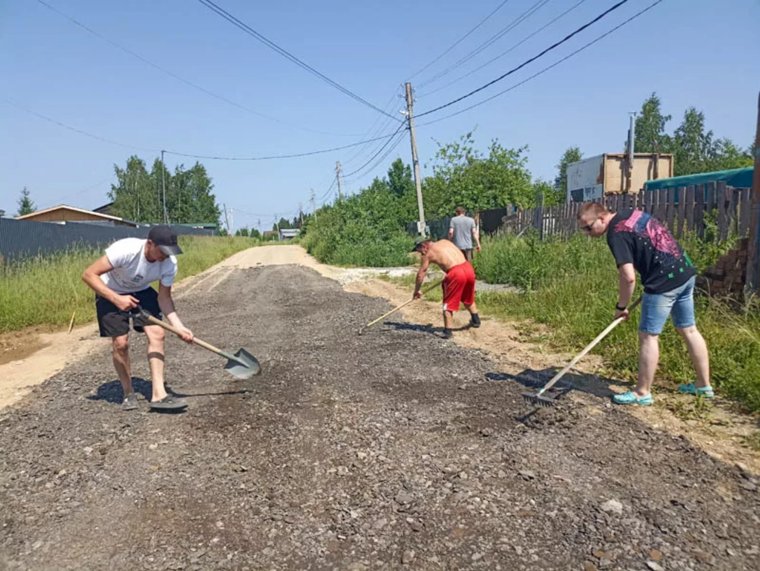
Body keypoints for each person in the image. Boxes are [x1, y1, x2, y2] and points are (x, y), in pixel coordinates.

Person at [577, 202, 713, 406]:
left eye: (589, 227)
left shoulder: (616, 234)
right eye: (584, 230)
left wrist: (621, 307)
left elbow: (628, 278)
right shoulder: (632, 213)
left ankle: (642, 392)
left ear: (602, 217)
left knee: (648, 336)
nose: (588, 233)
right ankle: (704, 386)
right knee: (689, 329)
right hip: (684, 271)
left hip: (663, 282)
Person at [82, 225, 194, 411]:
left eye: (169, 252)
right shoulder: (126, 250)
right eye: (162, 251)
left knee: (157, 334)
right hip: (110, 291)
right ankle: (128, 392)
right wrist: (116, 299)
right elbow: (88, 275)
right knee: (121, 343)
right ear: (150, 243)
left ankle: (159, 395)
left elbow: (164, 298)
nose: (164, 257)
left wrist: (179, 326)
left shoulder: (169, 263)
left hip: (141, 291)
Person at [411, 238, 481, 339]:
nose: (420, 253)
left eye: (419, 250)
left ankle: (447, 331)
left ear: (423, 246)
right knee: (467, 296)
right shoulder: (445, 241)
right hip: (467, 267)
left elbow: (421, 274)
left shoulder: (428, 254)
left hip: (456, 272)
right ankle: (476, 320)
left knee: (448, 303)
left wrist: (416, 291)